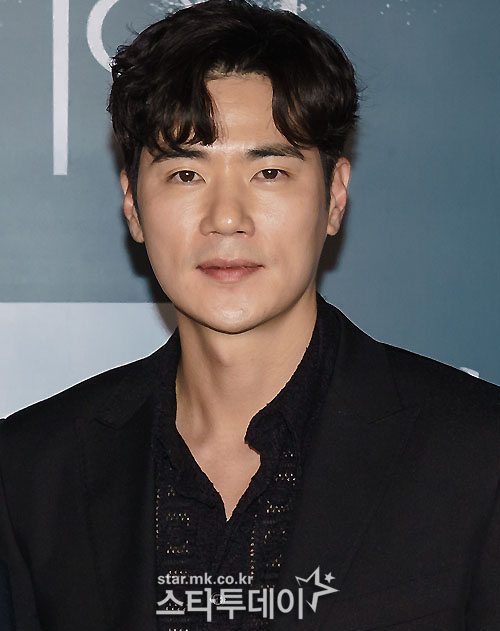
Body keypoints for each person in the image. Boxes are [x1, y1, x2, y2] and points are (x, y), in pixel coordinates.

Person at [1, 0, 499, 629]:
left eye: (268, 171)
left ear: (334, 197)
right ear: (132, 205)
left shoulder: (478, 455)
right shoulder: (33, 473)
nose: (226, 218)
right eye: (186, 174)